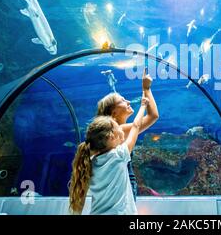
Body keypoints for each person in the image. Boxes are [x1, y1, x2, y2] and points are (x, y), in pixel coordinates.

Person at [68, 97, 149, 215]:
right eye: (118, 129)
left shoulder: (89, 162)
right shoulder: (119, 155)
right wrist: (143, 106)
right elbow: (136, 126)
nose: (122, 131)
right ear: (111, 137)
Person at [96, 67, 159, 201]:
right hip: (124, 185)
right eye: (123, 101)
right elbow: (153, 116)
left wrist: (144, 89)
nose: (128, 101)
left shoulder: (110, 134)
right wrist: (146, 89)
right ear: (114, 113)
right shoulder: (120, 131)